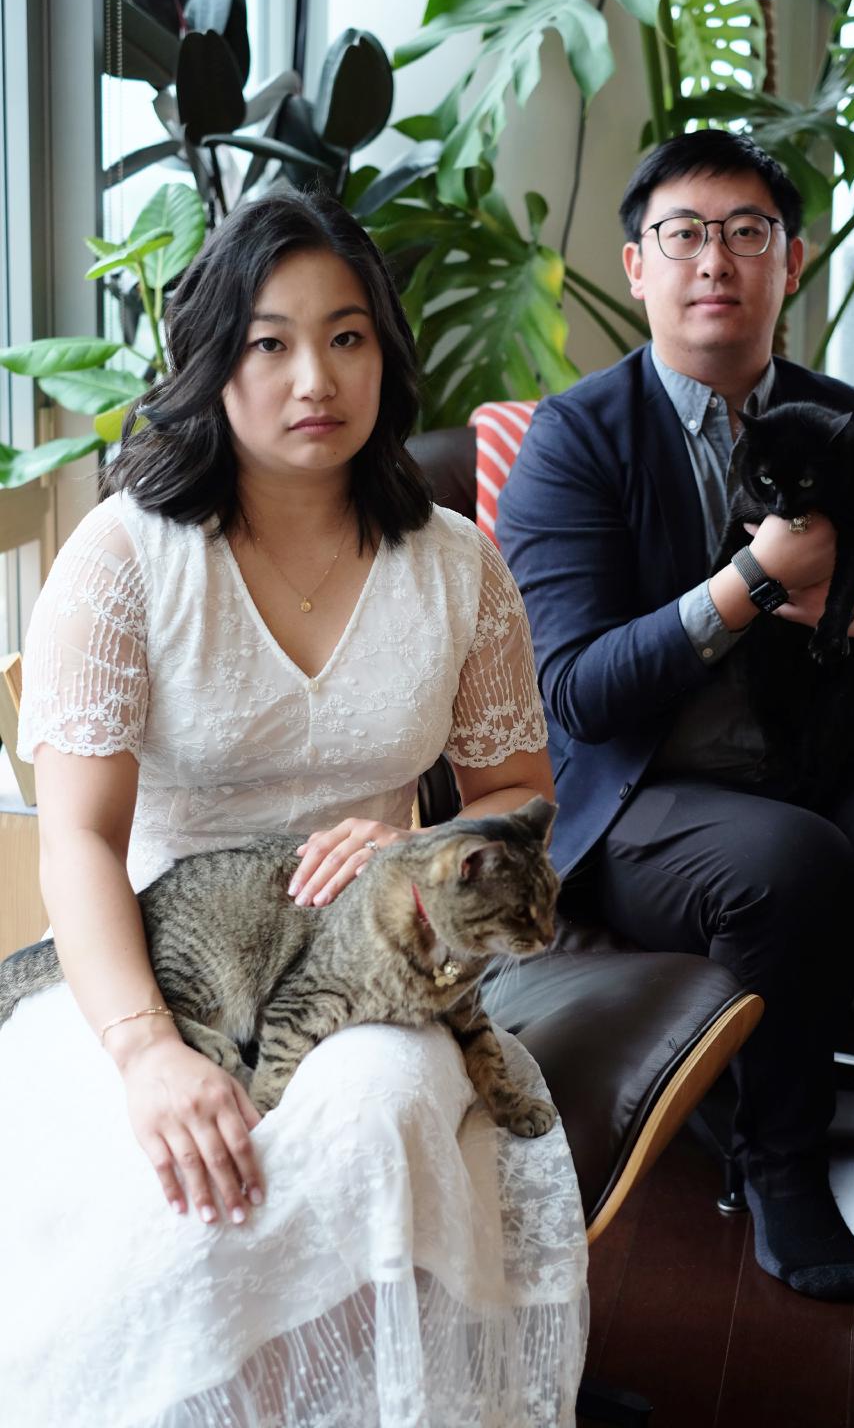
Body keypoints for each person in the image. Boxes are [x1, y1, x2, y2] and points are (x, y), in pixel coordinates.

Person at [0, 191, 588, 1426]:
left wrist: (421, 849)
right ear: (214, 361)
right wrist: (148, 1053)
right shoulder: (123, 559)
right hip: (158, 973)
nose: (312, 375)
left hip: (371, 977)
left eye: (347, 335)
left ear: (384, 352)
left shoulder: (456, 566)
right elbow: (80, 842)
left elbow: (520, 796)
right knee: (183, 1188)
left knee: (372, 1118)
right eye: (268, 341)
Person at [497, 128, 854, 1309]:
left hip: (846, 756)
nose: (714, 261)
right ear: (636, 266)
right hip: (655, 793)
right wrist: (749, 587)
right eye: (683, 235)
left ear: (792, 262)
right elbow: (576, 689)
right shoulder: (575, 439)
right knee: (790, 864)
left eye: (747, 234)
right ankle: (778, 1171)